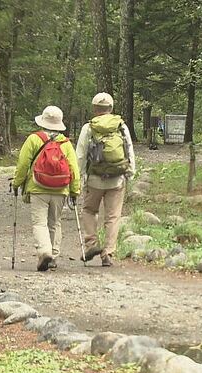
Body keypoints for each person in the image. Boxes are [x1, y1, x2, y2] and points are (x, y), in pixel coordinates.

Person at [12, 106, 80, 271]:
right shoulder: (65, 143)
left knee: (39, 223)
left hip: (38, 187)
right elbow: (74, 168)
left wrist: (16, 183)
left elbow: (23, 165)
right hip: (60, 188)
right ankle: (53, 257)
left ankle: (44, 252)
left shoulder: (34, 139)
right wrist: (75, 190)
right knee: (54, 223)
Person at [75, 92, 136, 267]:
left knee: (89, 210)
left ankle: (92, 244)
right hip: (117, 179)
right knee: (113, 216)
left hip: (94, 178)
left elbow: (80, 154)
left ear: (94, 109)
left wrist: (79, 178)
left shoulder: (89, 127)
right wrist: (130, 172)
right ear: (111, 108)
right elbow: (129, 149)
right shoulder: (121, 126)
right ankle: (108, 253)